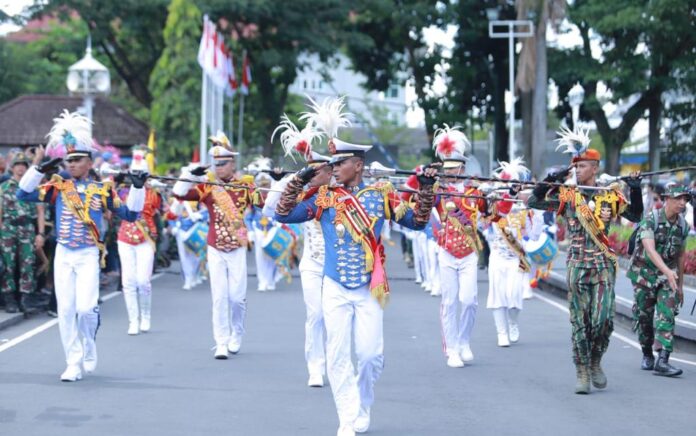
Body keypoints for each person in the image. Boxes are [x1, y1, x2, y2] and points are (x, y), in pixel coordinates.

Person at [275, 131, 437, 434]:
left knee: (370, 356)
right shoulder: (324, 198)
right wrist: (300, 179)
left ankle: (363, 403)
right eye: (332, 163)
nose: (334, 167)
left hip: (369, 288)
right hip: (334, 287)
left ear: (358, 165)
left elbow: (417, 222)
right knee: (337, 354)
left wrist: (426, 189)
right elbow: (283, 214)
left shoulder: (381, 195)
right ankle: (347, 418)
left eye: (341, 162)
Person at [17, 110, 146, 382]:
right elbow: (23, 194)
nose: (72, 164)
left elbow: (131, 215)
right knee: (65, 310)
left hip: (88, 253)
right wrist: (39, 168)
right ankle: (72, 362)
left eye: (77, 160)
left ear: (89, 162)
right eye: (69, 160)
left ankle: (89, 343)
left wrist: (137, 189)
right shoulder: (58, 186)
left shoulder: (103, 190)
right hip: (64, 252)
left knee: (86, 308)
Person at [527, 125, 642, 394]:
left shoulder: (610, 195)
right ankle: (581, 369)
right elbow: (534, 201)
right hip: (578, 266)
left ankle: (595, 361)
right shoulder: (569, 196)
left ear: (594, 168)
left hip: (602, 267)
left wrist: (635, 191)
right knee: (581, 321)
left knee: (603, 321)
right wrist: (549, 180)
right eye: (575, 167)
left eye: (582, 167)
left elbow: (635, 217)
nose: (577, 171)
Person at [172, 131, 263, 360]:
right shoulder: (208, 187)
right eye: (216, 164)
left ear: (232, 163)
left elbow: (262, 204)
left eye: (223, 164)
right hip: (215, 245)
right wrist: (190, 175)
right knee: (219, 296)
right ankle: (221, 341)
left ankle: (237, 333)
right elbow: (179, 194)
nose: (219, 168)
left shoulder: (245, 185)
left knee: (237, 297)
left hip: (238, 244)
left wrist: (271, 182)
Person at [263, 151, 334, 388]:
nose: (313, 175)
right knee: (315, 315)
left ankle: (336, 364)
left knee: (337, 318)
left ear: (330, 170)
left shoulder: (341, 191)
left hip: (338, 264)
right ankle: (315, 367)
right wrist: (283, 181)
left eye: (317, 171)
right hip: (313, 262)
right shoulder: (303, 192)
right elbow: (270, 211)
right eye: (309, 171)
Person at [430, 125, 488, 368]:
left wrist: (493, 197)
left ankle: (464, 341)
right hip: (446, 251)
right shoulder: (438, 190)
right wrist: (424, 181)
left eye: (455, 169)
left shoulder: (475, 191)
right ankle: (451, 349)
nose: (451, 174)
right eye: (448, 170)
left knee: (470, 300)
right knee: (450, 301)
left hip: (468, 253)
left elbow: (492, 212)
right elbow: (418, 200)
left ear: (463, 168)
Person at [627, 183, 690, 377]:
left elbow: (680, 256)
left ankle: (663, 360)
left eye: (685, 199)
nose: (682, 203)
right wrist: (667, 271)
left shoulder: (683, 225)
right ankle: (647, 354)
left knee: (668, 313)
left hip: (666, 277)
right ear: (666, 199)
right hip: (644, 274)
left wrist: (679, 286)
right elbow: (649, 248)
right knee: (644, 317)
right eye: (678, 198)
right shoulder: (651, 219)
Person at [482, 158, 530, 347]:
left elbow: (531, 234)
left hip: (515, 257)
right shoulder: (494, 203)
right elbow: (484, 225)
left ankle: (512, 322)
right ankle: (501, 332)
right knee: (497, 295)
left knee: (514, 295)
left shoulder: (525, 207)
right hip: (497, 255)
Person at [117, 148, 163, 335]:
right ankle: (132, 320)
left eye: (140, 173)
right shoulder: (121, 192)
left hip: (145, 239)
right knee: (128, 281)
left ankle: (146, 316)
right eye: (133, 173)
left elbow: (158, 212)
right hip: (125, 238)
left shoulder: (154, 194)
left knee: (143, 281)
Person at [0, 152, 46, 313]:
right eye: (18, 165)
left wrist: (40, 233)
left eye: (24, 165)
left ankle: (26, 298)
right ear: (12, 168)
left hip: (27, 228)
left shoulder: (32, 188)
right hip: (8, 229)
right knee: (8, 265)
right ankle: (9, 298)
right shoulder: (4, 187)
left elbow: (40, 211)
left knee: (28, 263)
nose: (20, 168)